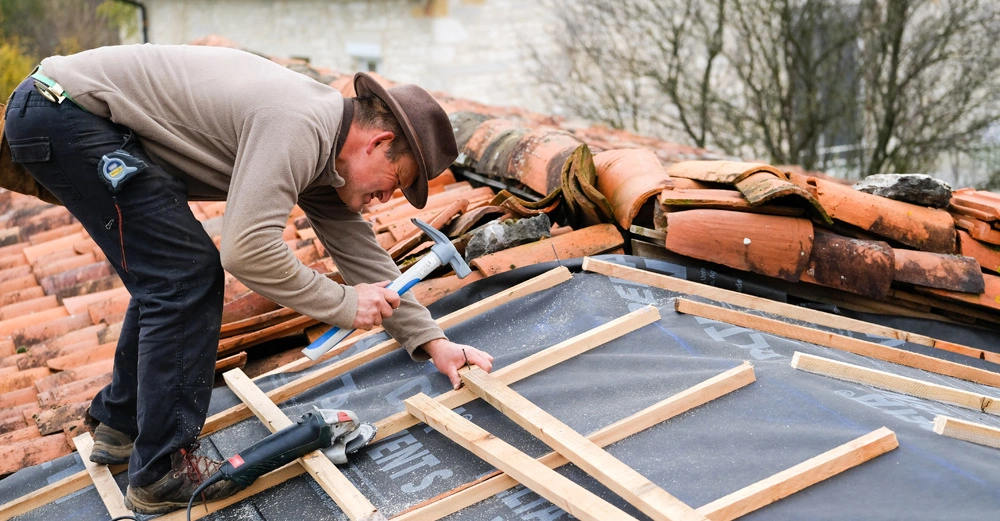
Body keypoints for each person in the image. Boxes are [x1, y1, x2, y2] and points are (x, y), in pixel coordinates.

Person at [0, 44, 493, 514]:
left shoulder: (328, 154)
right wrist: (343, 304)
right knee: (185, 272)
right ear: (379, 143)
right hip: (63, 111)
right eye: (396, 181)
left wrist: (433, 342)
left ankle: (121, 423)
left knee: (171, 270)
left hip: (70, 114)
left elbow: (360, 253)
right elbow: (247, 250)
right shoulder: (300, 125)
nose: (387, 200)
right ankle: (160, 473)